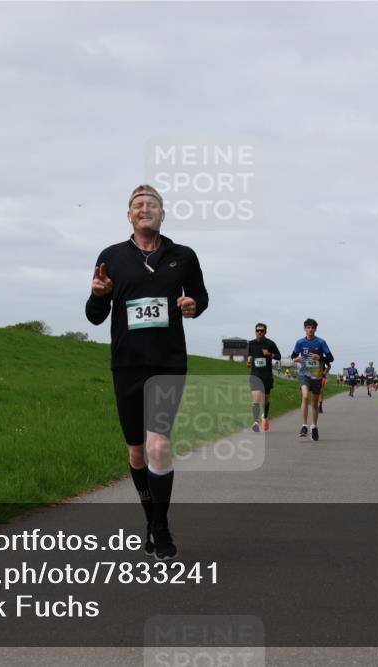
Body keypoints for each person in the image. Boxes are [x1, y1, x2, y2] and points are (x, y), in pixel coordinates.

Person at [86, 184, 209, 561]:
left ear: (162, 213)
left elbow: (201, 297)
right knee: (137, 454)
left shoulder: (183, 256)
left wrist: (193, 305)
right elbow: (94, 316)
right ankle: (150, 517)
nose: (145, 209)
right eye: (138, 205)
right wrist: (99, 293)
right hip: (127, 363)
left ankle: (160, 526)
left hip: (168, 362)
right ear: (129, 215)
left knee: (159, 444)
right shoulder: (112, 257)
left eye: (152, 205)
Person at [291, 318, 334, 442]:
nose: (310, 330)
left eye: (312, 327)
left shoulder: (321, 342)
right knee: (305, 397)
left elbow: (331, 358)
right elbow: (293, 355)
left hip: (317, 375)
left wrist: (319, 357)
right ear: (304, 329)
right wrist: (296, 359)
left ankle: (314, 427)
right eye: (308, 327)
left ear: (315, 329)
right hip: (304, 374)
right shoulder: (300, 342)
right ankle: (304, 426)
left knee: (315, 404)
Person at [247, 323, 282, 432]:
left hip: (266, 375)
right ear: (255, 331)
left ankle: (265, 417)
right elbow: (249, 354)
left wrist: (269, 354)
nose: (259, 332)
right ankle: (256, 422)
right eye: (257, 330)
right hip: (255, 374)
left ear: (265, 332)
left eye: (262, 331)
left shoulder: (270, 343)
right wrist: (248, 360)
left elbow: (278, 356)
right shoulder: (251, 343)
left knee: (265, 399)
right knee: (255, 399)